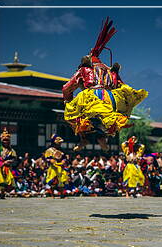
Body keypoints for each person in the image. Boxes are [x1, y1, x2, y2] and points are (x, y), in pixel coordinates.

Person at [62, 17, 148, 151]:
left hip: (93, 95)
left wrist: (68, 101)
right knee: (106, 117)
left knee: (72, 114)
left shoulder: (85, 69)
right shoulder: (110, 70)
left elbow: (67, 88)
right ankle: (103, 137)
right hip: (113, 98)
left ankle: (83, 139)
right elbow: (122, 85)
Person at [0, 128, 16, 199]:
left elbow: (14, 158)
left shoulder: (11, 150)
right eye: (4, 140)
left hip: (7, 167)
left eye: (7, 140)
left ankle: (2, 193)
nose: (5, 142)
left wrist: (8, 161)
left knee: (6, 180)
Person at [44, 134, 68, 198]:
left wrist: (64, 161)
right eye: (59, 142)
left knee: (61, 181)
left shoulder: (61, 150)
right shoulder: (49, 150)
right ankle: (52, 194)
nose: (60, 144)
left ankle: (62, 194)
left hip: (60, 168)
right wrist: (50, 160)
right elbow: (46, 158)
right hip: (53, 168)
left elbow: (65, 157)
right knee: (53, 181)